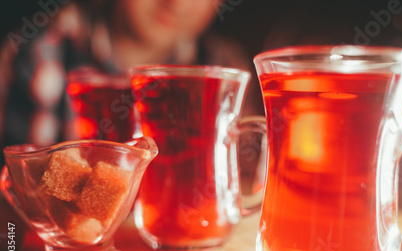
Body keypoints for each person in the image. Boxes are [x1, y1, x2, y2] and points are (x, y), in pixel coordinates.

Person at [0, 0, 259, 165]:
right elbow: (19, 199)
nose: (177, 4)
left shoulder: (226, 69)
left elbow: (244, 178)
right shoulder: (37, 51)